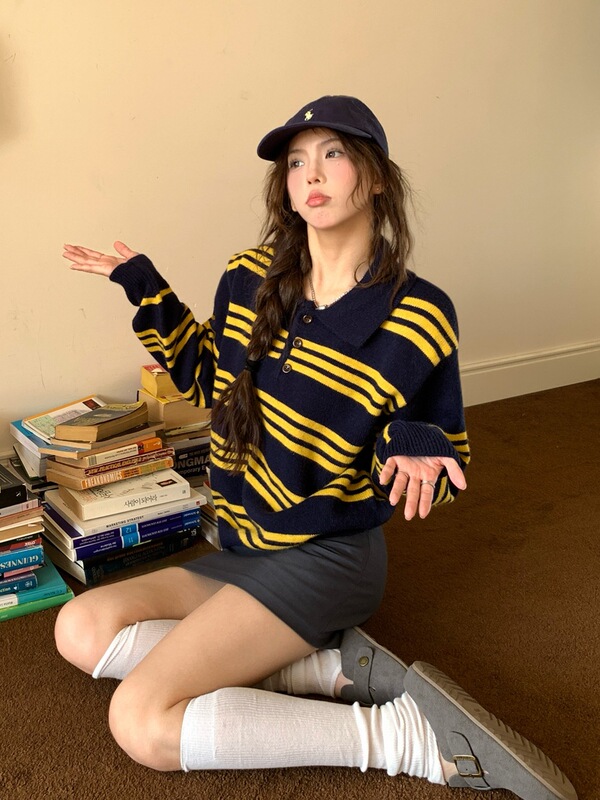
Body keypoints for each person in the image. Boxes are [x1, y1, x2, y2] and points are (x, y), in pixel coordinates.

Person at [56, 96, 576, 800]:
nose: (312, 174)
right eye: (297, 162)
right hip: (244, 546)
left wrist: (411, 448)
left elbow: (440, 453)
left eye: (333, 154)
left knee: (141, 721)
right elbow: (210, 381)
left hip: (327, 557)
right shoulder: (249, 276)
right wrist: (147, 290)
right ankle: (324, 671)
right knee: (80, 627)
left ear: (377, 177)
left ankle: (407, 738)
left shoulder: (419, 312)